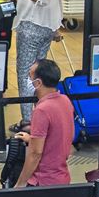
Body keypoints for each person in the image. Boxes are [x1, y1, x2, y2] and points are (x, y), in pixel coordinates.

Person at [2, 0, 62, 127]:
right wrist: (55, 27)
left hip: (31, 28)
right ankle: (39, 115)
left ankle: (28, 120)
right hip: (45, 28)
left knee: (26, 74)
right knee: (39, 75)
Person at [14, 60, 74, 188]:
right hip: (61, 177)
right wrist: (32, 139)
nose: (28, 80)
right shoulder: (65, 101)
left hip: (42, 181)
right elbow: (56, 138)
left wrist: (20, 183)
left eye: (30, 76)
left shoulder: (42, 110)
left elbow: (35, 154)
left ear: (38, 83)